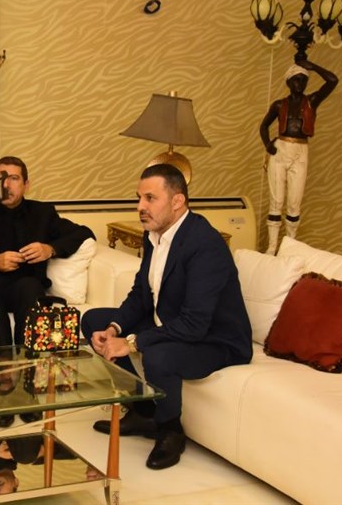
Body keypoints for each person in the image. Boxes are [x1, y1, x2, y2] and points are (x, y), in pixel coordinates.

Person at [83, 163, 252, 470]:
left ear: (177, 201)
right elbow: (141, 295)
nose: (140, 206)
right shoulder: (155, 235)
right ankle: (142, 411)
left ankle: (170, 431)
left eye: (150, 198)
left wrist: (131, 343)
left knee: (158, 354)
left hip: (215, 340)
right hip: (173, 322)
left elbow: (195, 324)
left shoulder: (205, 244)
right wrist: (114, 329)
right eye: (139, 198)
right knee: (93, 321)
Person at [0, 156, 94, 427]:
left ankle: (28, 382)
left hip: (20, 285)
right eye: (1, 178)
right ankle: (4, 383)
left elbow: (83, 233)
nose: (6, 184)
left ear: (26, 184)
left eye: (13, 178)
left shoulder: (42, 213)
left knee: (31, 288)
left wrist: (50, 249)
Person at [259, 59, 338, 254]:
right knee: (276, 200)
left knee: (294, 202)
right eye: (296, 79)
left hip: (301, 150)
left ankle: (290, 247)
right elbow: (264, 126)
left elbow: (332, 80)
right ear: (288, 82)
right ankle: (272, 247)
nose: (300, 83)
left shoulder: (311, 102)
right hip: (281, 149)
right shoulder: (279, 105)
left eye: (303, 80)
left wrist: (313, 66)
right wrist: (268, 144)